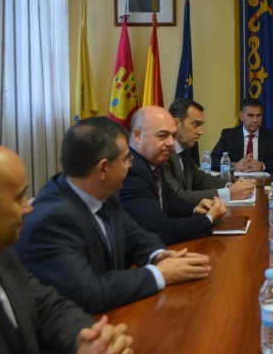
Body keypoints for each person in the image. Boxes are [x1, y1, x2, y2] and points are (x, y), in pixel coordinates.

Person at [14, 117, 213, 315]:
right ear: (103, 168)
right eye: (126, 159)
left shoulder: (104, 194)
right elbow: (89, 292)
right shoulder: (53, 220)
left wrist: (160, 256)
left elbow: (138, 235)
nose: (130, 165)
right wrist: (159, 273)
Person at [0, 144, 134, 353]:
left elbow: (47, 307)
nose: (29, 207)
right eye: (19, 198)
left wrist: (91, 338)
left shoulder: (1, 253)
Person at [120, 106, 227, 245]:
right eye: (162, 135)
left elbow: (172, 201)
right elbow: (160, 230)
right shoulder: (131, 169)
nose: (171, 143)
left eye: (174, 135)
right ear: (137, 135)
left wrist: (196, 209)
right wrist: (208, 220)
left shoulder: (153, 161)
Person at [164, 98, 256, 205]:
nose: (201, 132)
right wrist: (229, 193)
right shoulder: (163, 154)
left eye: (201, 125)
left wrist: (231, 185)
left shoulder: (184, 151)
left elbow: (200, 179)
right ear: (176, 124)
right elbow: (178, 196)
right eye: (195, 124)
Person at [210, 98, 273, 173]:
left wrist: (262, 165)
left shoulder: (272, 136)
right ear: (241, 116)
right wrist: (233, 166)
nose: (255, 120)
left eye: (259, 115)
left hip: (262, 182)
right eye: (250, 115)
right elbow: (212, 160)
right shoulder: (228, 135)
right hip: (235, 182)